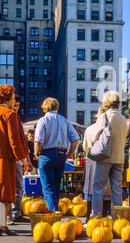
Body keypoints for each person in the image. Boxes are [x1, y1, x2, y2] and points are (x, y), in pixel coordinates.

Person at [34, 98, 80, 211]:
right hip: (61, 155)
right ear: (57, 107)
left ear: (45, 107)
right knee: (56, 186)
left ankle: (52, 213)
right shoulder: (65, 120)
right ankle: (55, 212)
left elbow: (38, 140)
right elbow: (76, 139)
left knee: (48, 188)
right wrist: (69, 154)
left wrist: (36, 153)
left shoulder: (43, 120)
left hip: (46, 154)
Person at [92, 91, 128, 216]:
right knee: (116, 189)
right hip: (119, 158)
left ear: (106, 102)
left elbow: (95, 136)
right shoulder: (124, 119)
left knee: (98, 187)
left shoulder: (104, 117)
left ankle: (96, 215)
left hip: (104, 157)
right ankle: (118, 216)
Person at [0, 85, 29, 235]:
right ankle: (2, 224)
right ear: (8, 97)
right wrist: (24, 160)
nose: (14, 98)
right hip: (5, 158)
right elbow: (14, 141)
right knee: (5, 193)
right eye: (13, 96)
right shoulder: (9, 114)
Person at [83, 105, 111, 219]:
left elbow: (85, 148)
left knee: (91, 190)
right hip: (106, 159)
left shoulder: (89, 129)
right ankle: (104, 214)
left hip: (91, 159)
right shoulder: (108, 128)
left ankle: (90, 215)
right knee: (105, 190)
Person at [8, 95, 33, 223]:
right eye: (14, 105)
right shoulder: (7, 117)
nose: (15, 108)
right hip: (8, 157)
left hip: (17, 158)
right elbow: (15, 142)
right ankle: (7, 216)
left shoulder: (17, 120)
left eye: (17, 106)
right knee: (7, 187)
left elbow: (23, 143)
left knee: (18, 186)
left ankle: (16, 212)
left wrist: (26, 160)